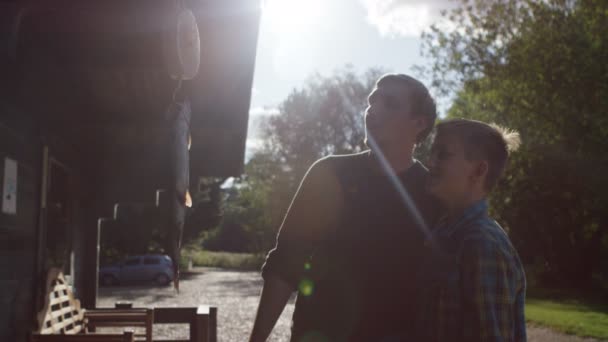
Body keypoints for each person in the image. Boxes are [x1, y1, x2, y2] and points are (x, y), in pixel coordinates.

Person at [249, 74, 441, 342]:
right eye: (372, 101)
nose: (373, 109)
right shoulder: (329, 173)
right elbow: (284, 265)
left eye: (390, 104)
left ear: (418, 123)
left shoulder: (434, 194)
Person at [420, 119, 527, 341]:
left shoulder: (481, 243)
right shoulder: (445, 233)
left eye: (443, 154)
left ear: (478, 170)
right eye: (432, 153)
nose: (430, 162)